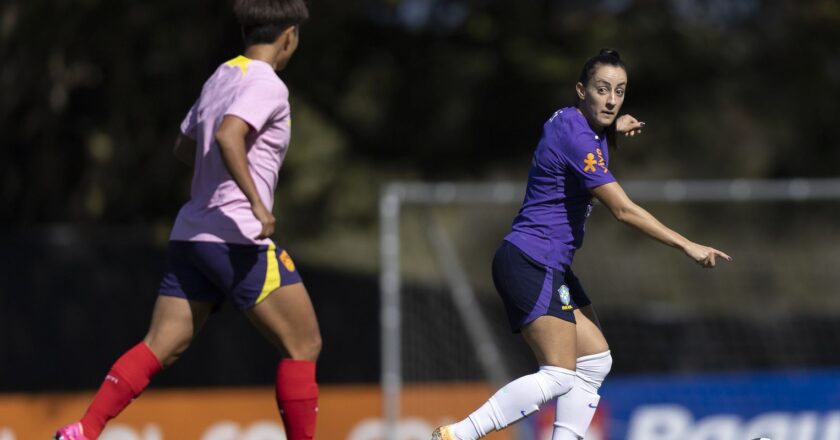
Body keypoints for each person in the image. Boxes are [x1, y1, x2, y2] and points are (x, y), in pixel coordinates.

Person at [432, 49, 732, 440]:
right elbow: (623, 211)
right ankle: (459, 434)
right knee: (557, 374)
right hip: (530, 260)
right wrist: (687, 244)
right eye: (602, 89)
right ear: (581, 90)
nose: (610, 100)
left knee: (594, 362)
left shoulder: (569, 120)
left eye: (619, 91)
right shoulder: (577, 137)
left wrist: (613, 128)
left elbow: (587, 135)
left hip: (547, 264)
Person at [54, 1, 321, 439]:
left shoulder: (222, 76)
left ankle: (84, 429)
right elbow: (227, 134)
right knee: (304, 344)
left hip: (192, 234)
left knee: (161, 344)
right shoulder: (268, 84)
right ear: (289, 35)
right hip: (237, 238)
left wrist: (214, 177)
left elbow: (185, 144)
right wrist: (256, 202)